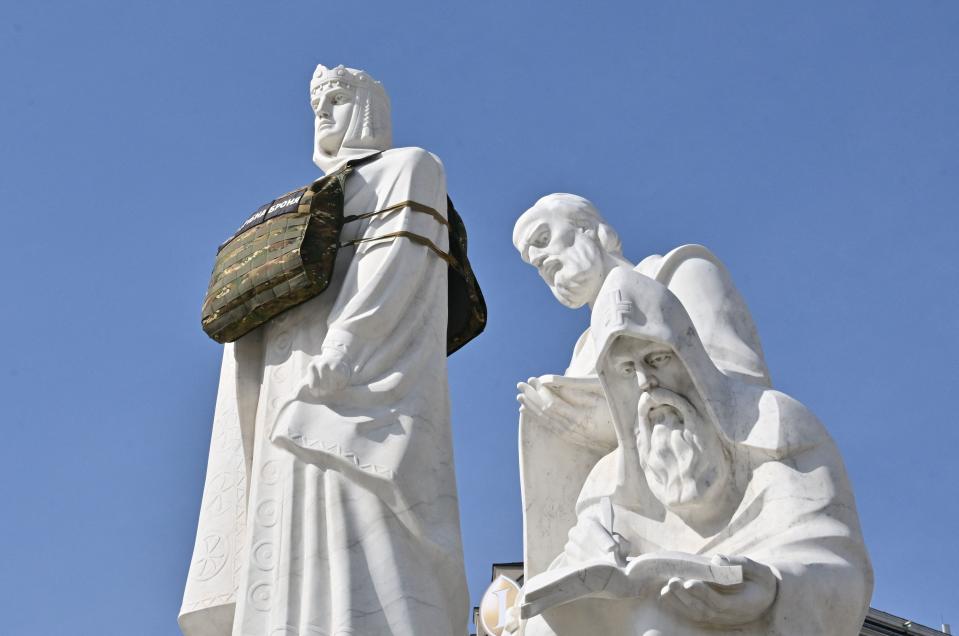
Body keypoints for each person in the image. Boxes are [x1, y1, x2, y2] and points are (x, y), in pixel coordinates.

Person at [180, 65, 468, 636]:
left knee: (369, 529)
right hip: (290, 388)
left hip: (366, 393)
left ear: (368, 105)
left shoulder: (409, 169)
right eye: (317, 104)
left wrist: (342, 350)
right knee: (285, 543)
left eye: (337, 98)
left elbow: (396, 272)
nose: (325, 114)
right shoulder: (300, 205)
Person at [519, 268, 872, 635]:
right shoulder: (608, 482)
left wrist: (773, 586)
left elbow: (838, 562)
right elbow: (572, 580)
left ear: (688, 356)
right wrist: (580, 560)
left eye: (655, 359)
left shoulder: (773, 427)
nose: (645, 382)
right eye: (627, 369)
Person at [511, 193, 770, 577]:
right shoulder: (584, 351)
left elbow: (741, 388)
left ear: (591, 231)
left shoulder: (681, 274)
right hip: (618, 516)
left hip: (706, 500)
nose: (538, 258)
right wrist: (578, 434)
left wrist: (613, 416)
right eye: (531, 259)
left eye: (544, 237)